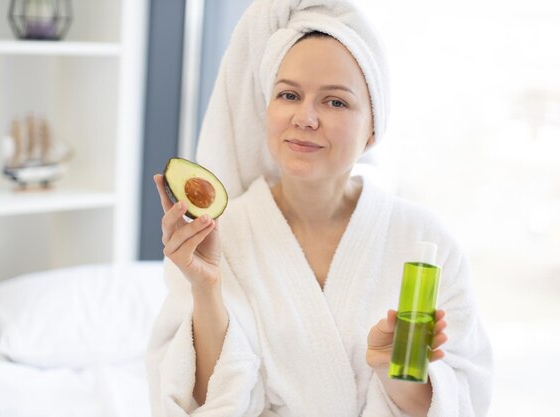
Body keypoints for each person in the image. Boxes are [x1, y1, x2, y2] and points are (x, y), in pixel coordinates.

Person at [146, 0, 493, 416]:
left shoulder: (425, 242)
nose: (305, 117)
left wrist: (394, 372)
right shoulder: (220, 233)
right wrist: (205, 288)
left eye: (335, 102)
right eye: (289, 95)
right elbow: (199, 403)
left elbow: (464, 401)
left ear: (373, 127)